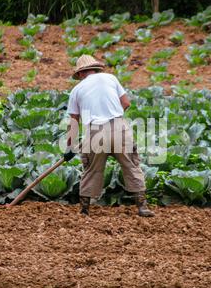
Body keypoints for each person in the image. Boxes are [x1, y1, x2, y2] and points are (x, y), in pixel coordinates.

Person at [65, 54, 154, 217]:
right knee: (131, 166)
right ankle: (142, 207)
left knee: (91, 170)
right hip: (119, 127)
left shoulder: (76, 90)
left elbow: (73, 121)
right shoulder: (110, 78)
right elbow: (126, 103)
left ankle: (85, 210)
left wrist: (69, 147)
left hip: (95, 132)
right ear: (96, 69)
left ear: (80, 74)